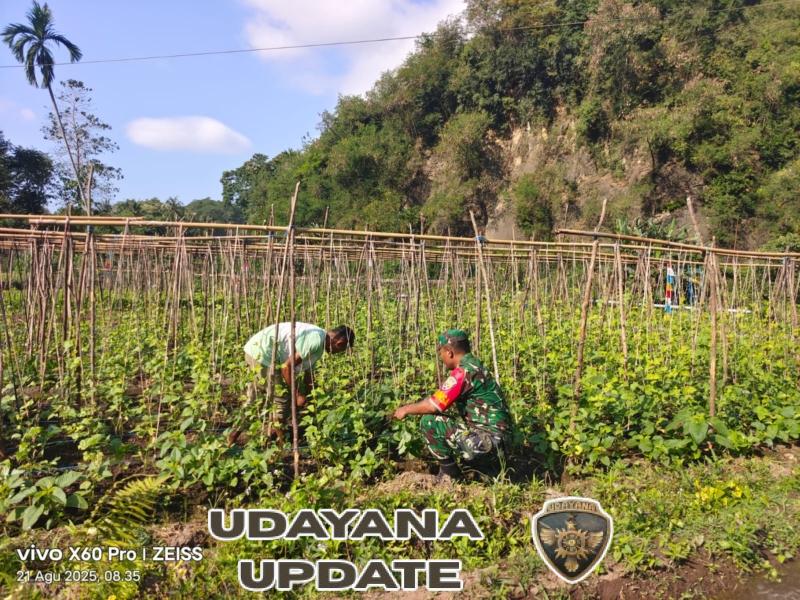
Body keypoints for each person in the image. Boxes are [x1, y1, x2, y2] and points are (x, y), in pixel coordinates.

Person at [392, 329, 512, 481]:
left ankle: (450, 476)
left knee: (429, 421)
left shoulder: (463, 373)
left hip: (489, 443)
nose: (441, 357)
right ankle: (487, 472)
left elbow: (433, 405)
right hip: (499, 443)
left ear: (449, 352)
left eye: (441, 352)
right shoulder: (476, 366)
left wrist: (405, 409)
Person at [236, 322, 355, 444]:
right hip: (263, 354)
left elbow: (309, 377)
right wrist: (297, 395)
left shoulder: (319, 343)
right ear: (340, 343)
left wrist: (312, 400)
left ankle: (237, 435)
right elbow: (286, 367)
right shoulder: (316, 340)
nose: (338, 353)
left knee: (255, 398)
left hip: (256, 350)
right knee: (281, 399)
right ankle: (281, 444)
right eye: (341, 350)